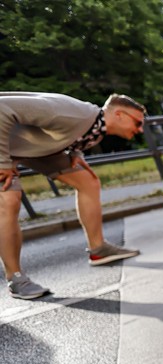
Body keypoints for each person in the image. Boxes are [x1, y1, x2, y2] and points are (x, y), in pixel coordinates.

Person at [0, 92, 144, 300]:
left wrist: (76, 153)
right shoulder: (71, 114)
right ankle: (16, 278)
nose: (140, 130)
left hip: (31, 147)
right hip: (4, 144)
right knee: (9, 200)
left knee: (88, 181)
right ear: (120, 115)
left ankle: (98, 249)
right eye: (138, 123)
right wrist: (3, 163)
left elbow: (72, 135)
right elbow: (2, 108)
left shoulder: (95, 127)